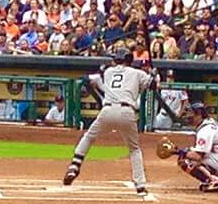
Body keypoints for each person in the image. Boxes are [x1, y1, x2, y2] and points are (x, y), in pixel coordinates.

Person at [63, 48, 154, 196]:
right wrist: (154, 75)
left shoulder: (108, 72)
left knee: (89, 137)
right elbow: (154, 86)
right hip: (127, 112)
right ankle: (140, 185)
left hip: (107, 110)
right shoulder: (138, 73)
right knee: (134, 149)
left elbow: (92, 78)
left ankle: (75, 165)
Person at [176, 102, 218, 192]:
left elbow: (198, 156)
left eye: (192, 113)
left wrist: (177, 151)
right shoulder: (209, 123)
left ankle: (215, 181)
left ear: (199, 115)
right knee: (190, 152)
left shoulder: (205, 130)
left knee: (186, 160)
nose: (189, 116)